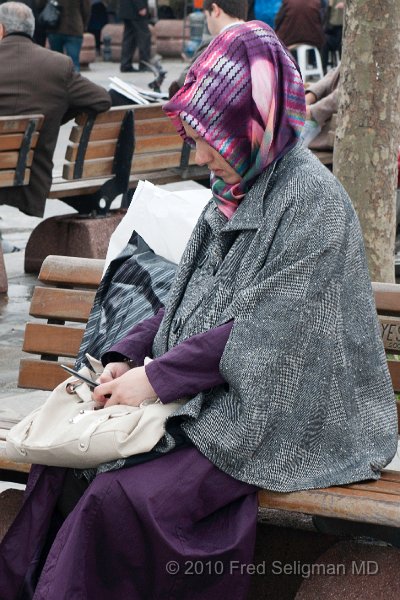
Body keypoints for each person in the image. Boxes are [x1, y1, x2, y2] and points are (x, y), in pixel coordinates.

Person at [1, 19, 398, 600]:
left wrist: (156, 380)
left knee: (122, 497)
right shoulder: (232, 192)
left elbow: (269, 337)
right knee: (60, 468)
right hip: (218, 395)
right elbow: (190, 298)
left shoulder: (315, 204)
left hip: (290, 417)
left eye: (210, 134)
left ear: (252, 124)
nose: (199, 148)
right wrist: (124, 356)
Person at [0, 2, 111, 218]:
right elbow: (102, 100)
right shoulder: (58, 65)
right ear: (30, 30)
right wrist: (53, 115)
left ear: (1, 29)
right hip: (30, 177)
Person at [168, 0, 247, 98]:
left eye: (206, 16)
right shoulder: (263, 38)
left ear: (215, 10)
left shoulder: (213, 45)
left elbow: (183, 85)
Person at [36, 0, 91, 72]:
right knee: (74, 63)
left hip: (54, 27)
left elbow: (39, 4)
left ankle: (58, 81)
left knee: (57, 62)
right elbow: (86, 10)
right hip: (74, 27)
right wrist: (84, 24)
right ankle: (74, 81)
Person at [300, 63, 340, 150]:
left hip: (335, 133)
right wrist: (310, 96)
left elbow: (346, 92)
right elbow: (335, 72)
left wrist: (313, 111)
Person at [118, 0, 152, 72]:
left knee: (129, 38)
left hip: (128, 9)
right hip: (135, 11)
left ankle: (125, 64)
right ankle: (144, 65)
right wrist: (141, 6)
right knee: (144, 37)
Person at [321, 0, 345, 72]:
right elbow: (325, 22)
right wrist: (329, 6)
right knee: (323, 42)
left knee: (342, 43)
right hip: (330, 29)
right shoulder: (328, 2)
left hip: (342, 29)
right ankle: (323, 70)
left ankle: (342, 69)